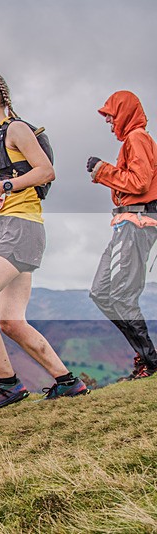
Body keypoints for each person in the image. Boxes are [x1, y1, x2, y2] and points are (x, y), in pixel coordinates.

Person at [0, 68, 88, 411]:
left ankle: (8, 385)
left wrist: (4, 186)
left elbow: (45, 172)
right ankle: (68, 382)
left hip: (20, 232)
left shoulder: (17, 129)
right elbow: (8, 180)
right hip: (16, 231)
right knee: (10, 320)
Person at [87, 91, 157, 380]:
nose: (109, 122)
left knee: (121, 295)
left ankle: (150, 362)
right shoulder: (133, 140)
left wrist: (103, 171)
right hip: (126, 224)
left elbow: (140, 183)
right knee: (101, 292)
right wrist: (107, 173)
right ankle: (147, 358)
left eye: (112, 115)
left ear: (125, 113)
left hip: (136, 225)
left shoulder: (137, 138)